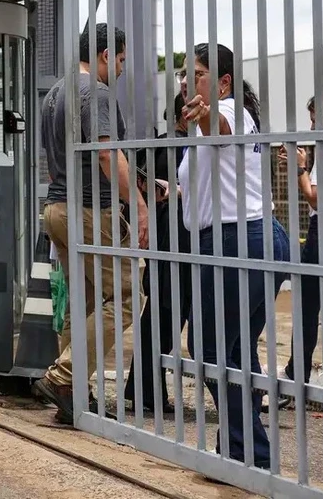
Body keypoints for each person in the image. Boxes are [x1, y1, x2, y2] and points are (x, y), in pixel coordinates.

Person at [176, 42, 289, 469]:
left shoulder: (232, 113)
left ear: (224, 82)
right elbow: (210, 186)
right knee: (237, 350)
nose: (188, 81)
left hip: (236, 241)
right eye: (185, 74)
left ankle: (251, 453)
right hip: (250, 237)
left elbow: (220, 128)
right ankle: (238, 450)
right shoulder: (207, 127)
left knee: (207, 347)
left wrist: (205, 113)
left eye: (198, 73)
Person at [31, 23, 149, 425]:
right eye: (119, 60)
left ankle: (72, 392)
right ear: (104, 56)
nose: (120, 68)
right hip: (88, 209)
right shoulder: (95, 92)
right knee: (130, 294)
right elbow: (104, 154)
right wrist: (138, 202)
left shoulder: (54, 94)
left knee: (81, 301)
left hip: (58, 208)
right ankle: (63, 375)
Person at [123, 93, 193, 415]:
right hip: (179, 241)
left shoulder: (157, 146)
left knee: (160, 314)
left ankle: (143, 388)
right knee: (166, 316)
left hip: (159, 239)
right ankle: (146, 390)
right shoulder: (181, 147)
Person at [277, 91, 323, 404]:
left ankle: (295, 376)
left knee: (306, 306)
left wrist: (300, 169)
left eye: (315, 119)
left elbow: (317, 199)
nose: (311, 126)